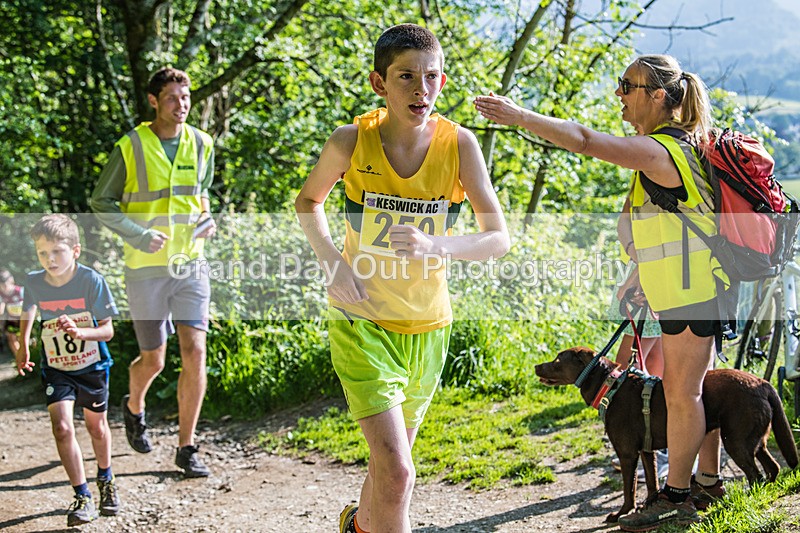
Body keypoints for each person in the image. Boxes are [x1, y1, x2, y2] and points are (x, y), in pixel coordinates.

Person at [475, 54, 727, 530]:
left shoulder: (661, 151)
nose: (619, 94)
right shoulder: (666, 149)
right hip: (683, 286)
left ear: (658, 96)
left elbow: (586, 141)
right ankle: (708, 481)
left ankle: (676, 494)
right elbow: (671, 224)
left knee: (682, 394)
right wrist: (639, 276)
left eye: (627, 85)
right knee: (696, 389)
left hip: (692, 291)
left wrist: (520, 116)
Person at [295, 23, 510, 533]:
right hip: (362, 321)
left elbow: (497, 237)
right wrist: (332, 261)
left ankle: (358, 527)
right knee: (398, 473)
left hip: (428, 327)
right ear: (379, 83)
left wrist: (437, 244)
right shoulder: (350, 141)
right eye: (406, 77)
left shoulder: (461, 146)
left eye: (432, 77)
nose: (421, 89)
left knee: (389, 469)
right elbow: (308, 202)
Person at [90, 67, 216, 477]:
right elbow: (101, 201)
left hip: (190, 264)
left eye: (186, 98)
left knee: (195, 351)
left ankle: (187, 447)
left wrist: (206, 219)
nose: (181, 106)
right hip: (145, 268)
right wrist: (139, 234)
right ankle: (133, 405)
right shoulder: (130, 146)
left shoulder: (202, 143)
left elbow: (202, 195)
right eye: (172, 99)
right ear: (153, 101)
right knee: (154, 359)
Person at [15, 214, 120, 527]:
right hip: (57, 367)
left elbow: (108, 331)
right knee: (61, 427)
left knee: (96, 428)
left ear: (75, 251)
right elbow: (28, 309)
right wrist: (23, 344)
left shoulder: (91, 281)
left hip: (92, 365)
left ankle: (106, 479)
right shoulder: (34, 282)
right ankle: (82, 494)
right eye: (42, 253)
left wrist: (80, 333)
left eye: (56, 252)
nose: (49, 259)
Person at [0, 269, 23, 356]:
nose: (5, 288)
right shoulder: (1, 294)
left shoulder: (20, 291)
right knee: (11, 338)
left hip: (23, 319)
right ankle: (18, 357)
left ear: (11, 281)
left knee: (23, 339)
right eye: (2, 286)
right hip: (11, 320)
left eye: (6, 285)